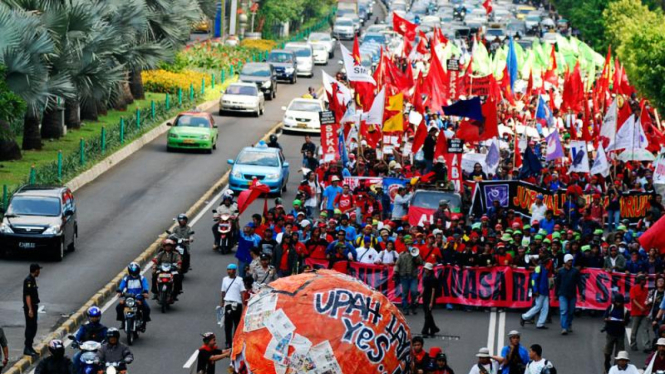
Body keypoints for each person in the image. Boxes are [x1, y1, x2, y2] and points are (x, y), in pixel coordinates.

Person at [116, 262, 151, 329]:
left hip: (139, 298)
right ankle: (123, 322)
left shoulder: (142, 278)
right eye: (132, 271)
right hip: (128, 298)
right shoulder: (126, 278)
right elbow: (122, 285)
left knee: (146, 308)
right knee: (118, 307)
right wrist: (120, 291)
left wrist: (145, 292)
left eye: (135, 271)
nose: (134, 274)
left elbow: (145, 285)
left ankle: (144, 323)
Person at [72, 306, 107, 372]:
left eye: (96, 317)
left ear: (99, 317)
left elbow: (107, 338)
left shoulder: (103, 329)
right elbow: (78, 336)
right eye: (92, 317)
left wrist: (107, 343)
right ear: (89, 317)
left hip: (99, 352)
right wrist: (75, 342)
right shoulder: (84, 327)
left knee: (107, 362)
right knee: (75, 358)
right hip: (85, 352)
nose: (94, 319)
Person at [220, 264, 246, 349]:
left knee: (237, 324)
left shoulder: (240, 280)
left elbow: (242, 292)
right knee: (228, 324)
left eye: (230, 270)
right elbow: (223, 292)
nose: (228, 271)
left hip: (237, 304)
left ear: (234, 271)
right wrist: (222, 302)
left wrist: (244, 304)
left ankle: (235, 340)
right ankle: (228, 342)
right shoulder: (224, 279)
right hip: (228, 304)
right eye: (228, 269)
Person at [394, 237, 422, 315]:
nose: (409, 246)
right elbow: (397, 264)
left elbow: (420, 262)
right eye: (407, 244)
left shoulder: (415, 253)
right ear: (405, 245)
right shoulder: (401, 254)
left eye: (410, 244)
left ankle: (413, 307)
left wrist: (415, 257)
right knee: (405, 294)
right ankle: (405, 309)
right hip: (404, 277)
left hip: (413, 277)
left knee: (414, 292)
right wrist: (395, 271)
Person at [520, 255, 550, 329]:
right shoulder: (539, 268)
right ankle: (524, 317)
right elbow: (534, 280)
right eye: (547, 260)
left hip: (545, 291)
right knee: (538, 306)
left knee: (545, 308)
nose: (549, 261)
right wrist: (535, 290)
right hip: (540, 291)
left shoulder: (544, 268)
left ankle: (540, 323)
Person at [604, 294, 631, 373]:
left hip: (620, 334)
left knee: (619, 353)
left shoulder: (625, 310)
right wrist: (608, 319)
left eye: (619, 302)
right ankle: (606, 366)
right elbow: (605, 317)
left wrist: (623, 321)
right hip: (610, 333)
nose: (618, 303)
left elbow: (627, 322)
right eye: (617, 302)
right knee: (607, 352)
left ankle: (615, 368)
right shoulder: (610, 307)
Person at [555, 254, 580, 335]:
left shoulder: (575, 271)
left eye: (571, 261)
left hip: (572, 294)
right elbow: (557, 284)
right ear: (565, 261)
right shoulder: (561, 272)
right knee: (563, 311)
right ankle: (564, 327)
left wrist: (581, 293)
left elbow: (579, 283)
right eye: (569, 261)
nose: (570, 262)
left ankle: (569, 324)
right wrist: (556, 294)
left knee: (571, 311)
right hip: (563, 294)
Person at [23, 263, 41, 356]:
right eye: (39, 270)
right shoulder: (28, 280)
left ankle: (30, 347)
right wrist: (30, 309)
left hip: (34, 306)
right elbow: (28, 296)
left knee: (34, 327)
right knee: (30, 327)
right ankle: (27, 347)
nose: (40, 272)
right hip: (30, 308)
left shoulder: (32, 279)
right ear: (36, 270)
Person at [630, 274, 651, 352]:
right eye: (642, 280)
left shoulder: (646, 290)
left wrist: (647, 305)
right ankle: (633, 344)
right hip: (636, 312)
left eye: (644, 280)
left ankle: (647, 346)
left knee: (645, 329)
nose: (644, 282)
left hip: (645, 312)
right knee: (634, 330)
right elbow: (633, 300)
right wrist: (640, 307)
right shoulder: (633, 289)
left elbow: (647, 299)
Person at [421, 262, 440, 337]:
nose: (425, 270)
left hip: (430, 298)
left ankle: (424, 331)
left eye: (426, 269)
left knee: (427, 315)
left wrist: (431, 302)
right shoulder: (425, 278)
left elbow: (433, 291)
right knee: (428, 314)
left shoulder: (433, 278)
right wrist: (420, 295)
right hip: (425, 297)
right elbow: (424, 288)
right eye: (425, 269)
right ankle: (433, 328)